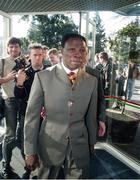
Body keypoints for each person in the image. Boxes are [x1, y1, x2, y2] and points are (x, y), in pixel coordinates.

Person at [24, 33, 98, 179]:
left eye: (82, 50)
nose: (78, 54)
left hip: (79, 144)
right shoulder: (43, 77)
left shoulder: (92, 81)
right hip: (50, 144)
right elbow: (31, 117)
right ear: (61, 51)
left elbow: (91, 116)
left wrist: (91, 143)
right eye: (72, 49)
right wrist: (30, 151)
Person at [14, 43, 49, 179]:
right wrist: (19, 83)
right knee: (26, 144)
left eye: (40, 54)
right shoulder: (23, 73)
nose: (38, 57)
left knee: (44, 144)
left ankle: (42, 169)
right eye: (35, 55)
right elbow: (18, 95)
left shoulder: (50, 72)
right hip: (27, 114)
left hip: (46, 115)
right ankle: (29, 167)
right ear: (29, 56)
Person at [0, 37, 25, 178]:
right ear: (8, 48)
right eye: (12, 46)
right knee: (10, 135)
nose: (14, 49)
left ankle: (29, 165)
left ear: (20, 48)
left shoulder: (24, 62)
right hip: (10, 101)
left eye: (17, 46)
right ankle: (6, 164)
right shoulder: (2, 61)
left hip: (24, 102)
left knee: (23, 134)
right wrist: (7, 78)